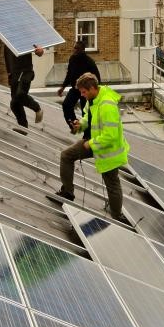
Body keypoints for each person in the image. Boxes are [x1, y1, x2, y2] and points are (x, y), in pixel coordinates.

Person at [55, 72, 130, 225]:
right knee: (66, 156)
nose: (81, 96)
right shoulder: (94, 99)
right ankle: (68, 192)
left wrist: (91, 143)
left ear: (92, 88)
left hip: (109, 150)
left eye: (83, 92)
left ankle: (118, 217)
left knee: (112, 183)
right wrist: (80, 125)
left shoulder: (107, 105)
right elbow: (88, 118)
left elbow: (111, 136)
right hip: (95, 143)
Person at [56, 41, 101, 133]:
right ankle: (74, 125)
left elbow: (97, 79)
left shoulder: (89, 61)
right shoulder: (72, 59)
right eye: (74, 48)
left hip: (86, 91)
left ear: (82, 50)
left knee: (86, 113)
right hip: (75, 89)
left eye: (77, 48)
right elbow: (69, 74)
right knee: (66, 105)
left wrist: (94, 92)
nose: (74, 50)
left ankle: (87, 135)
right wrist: (63, 87)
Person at [4, 43, 45, 130]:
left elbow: (39, 51)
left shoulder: (23, 33)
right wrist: (9, 73)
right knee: (14, 103)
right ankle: (23, 128)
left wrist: (40, 51)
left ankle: (37, 109)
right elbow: (7, 56)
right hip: (14, 73)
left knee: (20, 94)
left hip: (25, 71)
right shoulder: (6, 37)